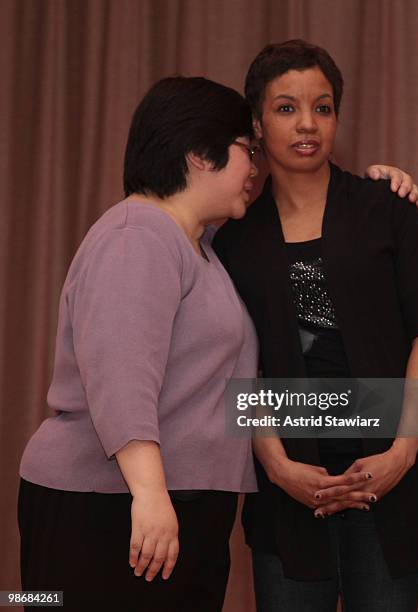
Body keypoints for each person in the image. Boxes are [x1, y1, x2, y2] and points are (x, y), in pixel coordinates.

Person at [213, 40, 418, 612]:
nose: (307, 124)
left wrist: (401, 455)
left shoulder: (387, 207)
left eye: (322, 108)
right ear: (256, 122)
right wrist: (276, 465)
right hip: (290, 489)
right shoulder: (235, 240)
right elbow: (236, 367)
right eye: (286, 108)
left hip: (391, 483)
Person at [18, 76, 267, 612]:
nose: (255, 168)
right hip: (113, 505)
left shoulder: (198, 246)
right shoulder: (137, 234)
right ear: (201, 154)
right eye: (248, 150)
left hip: (175, 505)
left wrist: (377, 190)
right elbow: (121, 376)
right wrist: (150, 495)